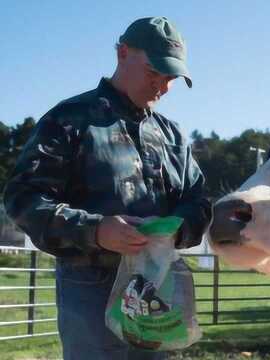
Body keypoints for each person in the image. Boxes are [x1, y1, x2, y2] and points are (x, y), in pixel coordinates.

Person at [3, 17, 211, 359]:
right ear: (122, 53)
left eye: (171, 77)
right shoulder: (69, 119)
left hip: (157, 284)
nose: (161, 85)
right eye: (153, 71)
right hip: (90, 285)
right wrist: (96, 230)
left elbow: (198, 200)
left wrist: (176, 229)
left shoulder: (172, 135)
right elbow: (23, 197)